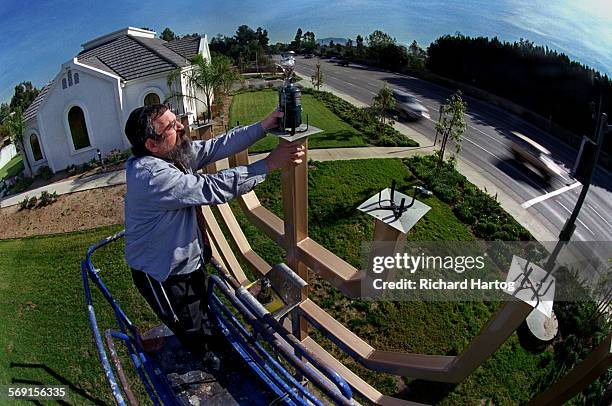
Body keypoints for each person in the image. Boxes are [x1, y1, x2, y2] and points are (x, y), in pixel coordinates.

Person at [123, 103, 305, 359]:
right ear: (151, 145)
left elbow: (216, 146)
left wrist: (264, 126)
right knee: (196, 332)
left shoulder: (170, 152)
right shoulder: (151, 176)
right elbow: (209, 188)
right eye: (172, 127)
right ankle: (213, 365)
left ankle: (214, 348)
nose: (181, 127)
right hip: (164, 274)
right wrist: (269, 164)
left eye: (177, 119)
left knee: (203, 312)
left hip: (188, 261)